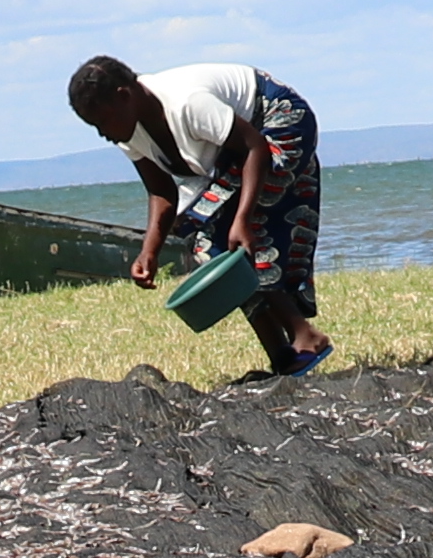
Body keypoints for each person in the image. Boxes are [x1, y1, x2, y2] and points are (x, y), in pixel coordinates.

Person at [67, 53, 333, 379]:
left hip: (279, 122)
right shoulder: (130, 132)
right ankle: (283, 356)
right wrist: (149, 251)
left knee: (213, 233)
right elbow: (162, 191)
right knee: (204, 241)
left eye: (103, 121)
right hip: (242, 149)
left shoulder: (187, 103)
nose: (103, 134)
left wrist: (243, 219)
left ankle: (305, 336)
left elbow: (254, 148)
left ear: (125, 96)